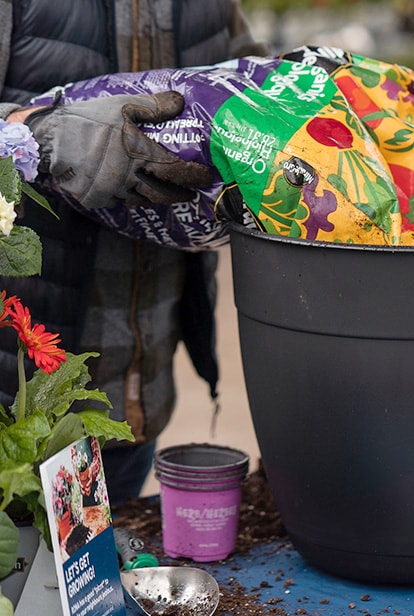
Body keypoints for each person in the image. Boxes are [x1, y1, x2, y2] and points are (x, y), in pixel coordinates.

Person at [0, 0, 266, 505]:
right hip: (17, 410)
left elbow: (250, 81)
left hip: (132, 402)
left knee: (105, 571)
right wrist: (38, 132)